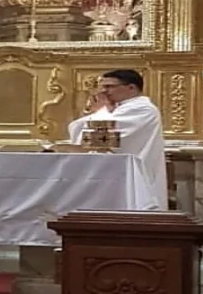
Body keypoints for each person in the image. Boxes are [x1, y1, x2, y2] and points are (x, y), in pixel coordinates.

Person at [68, 69, 167, 209]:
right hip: (115, 172)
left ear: (131, 87)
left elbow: (99, 133)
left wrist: (102, 109)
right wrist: (105, 110)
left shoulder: (142, 109)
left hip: (134, 173)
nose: (103, 92)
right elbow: (82, 128)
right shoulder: (121, 108)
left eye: (109, 87)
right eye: (102, 87)